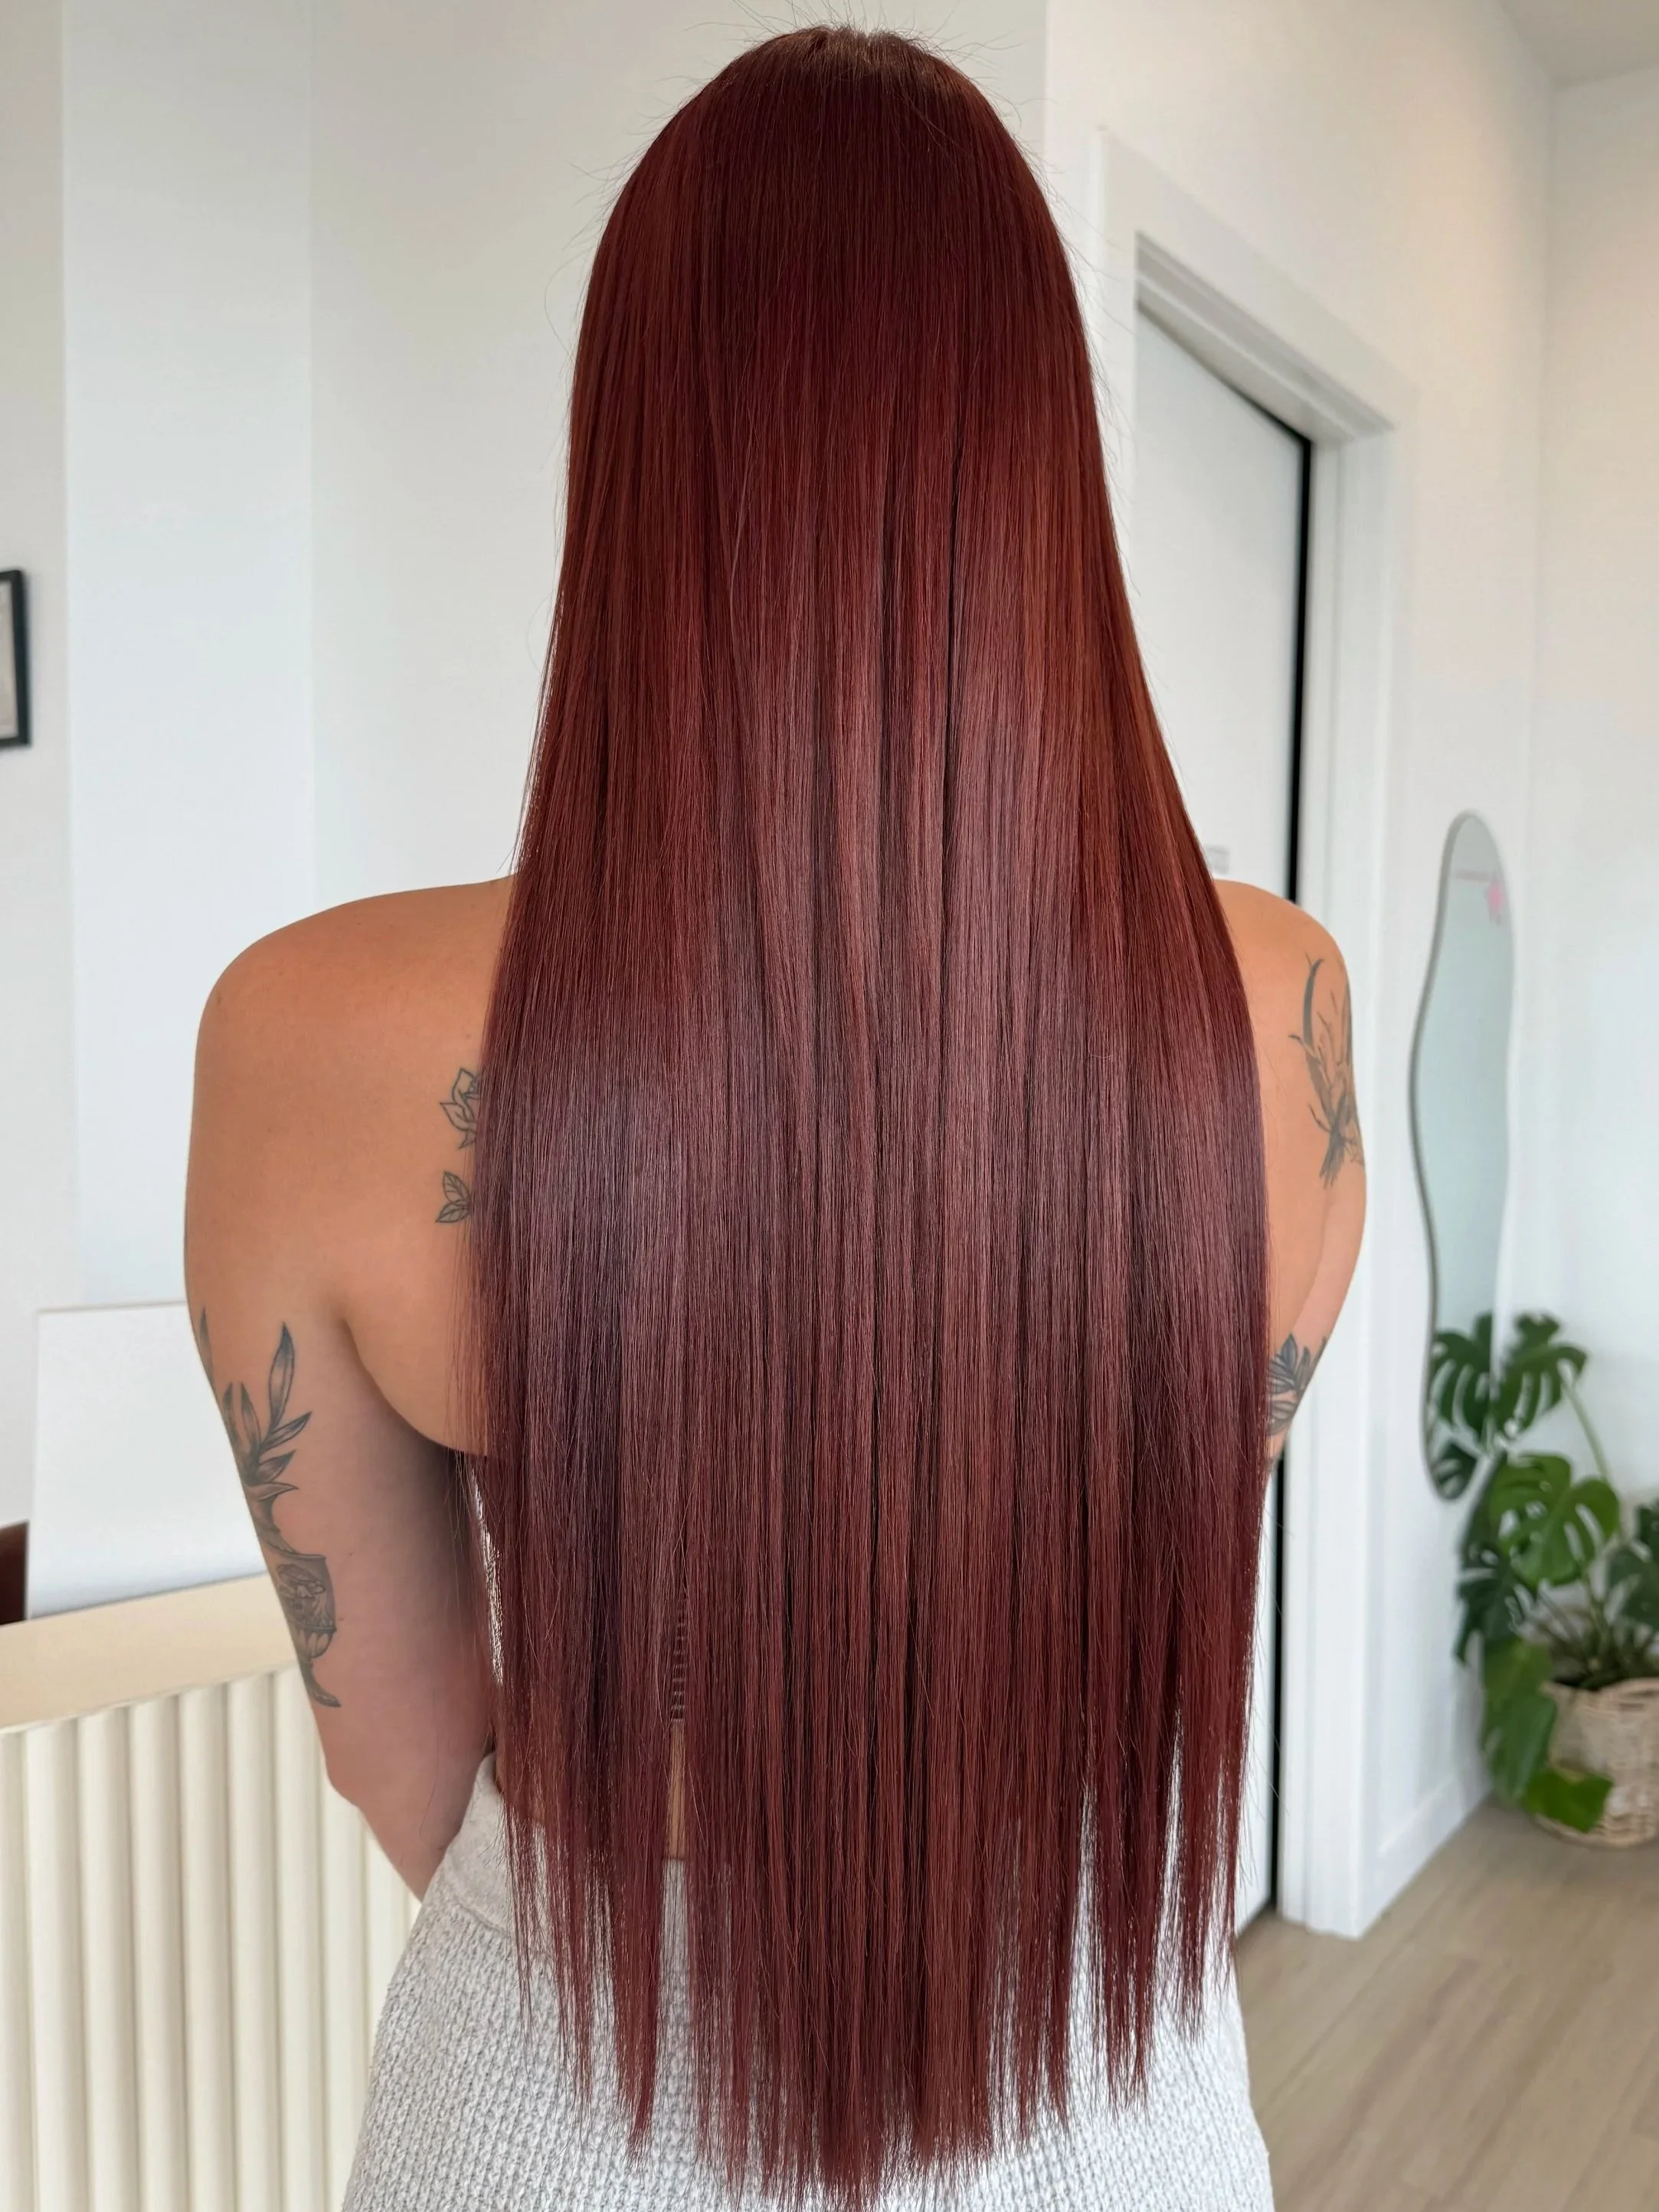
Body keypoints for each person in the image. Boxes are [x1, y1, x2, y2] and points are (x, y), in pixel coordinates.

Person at [185, 25, 1364, 2210]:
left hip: (557, 2116)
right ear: (1040, 473)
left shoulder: (311, 1034)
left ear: (630, 456)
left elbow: (405, 1763)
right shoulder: (1265, 1015)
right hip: (1101, 2108)